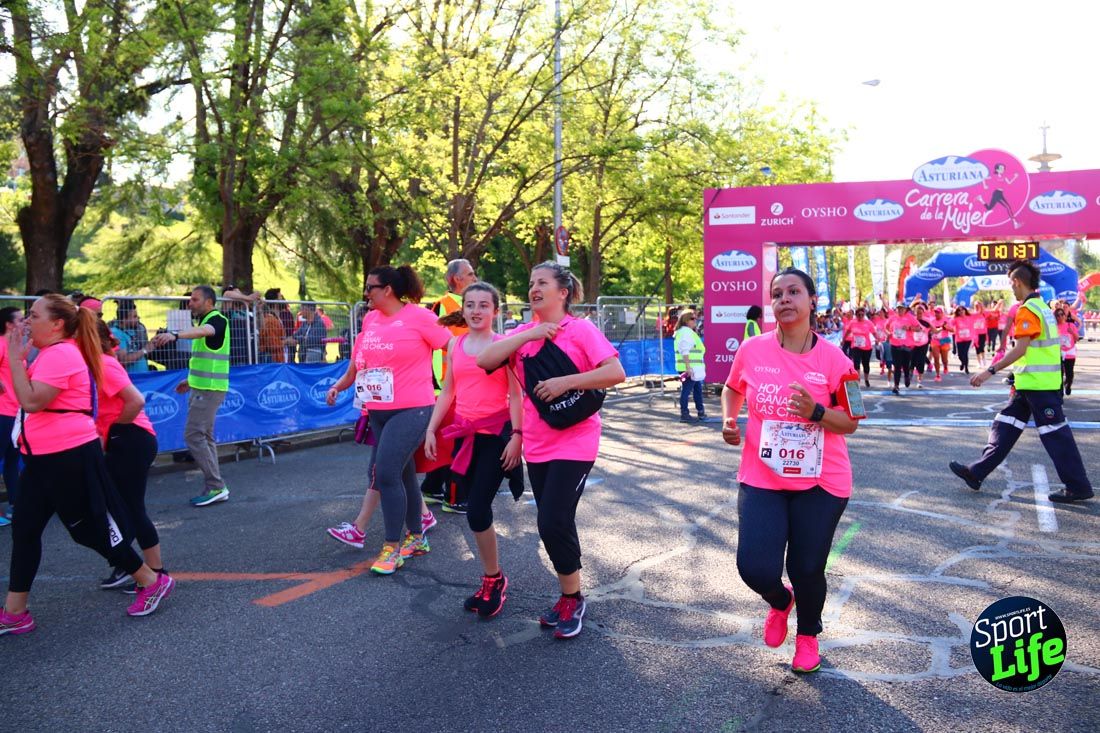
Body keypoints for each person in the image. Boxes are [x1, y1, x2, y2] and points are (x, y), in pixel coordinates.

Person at [1, 295, 174, 636]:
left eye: (34, 315)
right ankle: (15, 612)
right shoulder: (51, 353)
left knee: (88, 529)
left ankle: (150, 579)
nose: (27, 322)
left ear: (57, 324)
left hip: (68, 455)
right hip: (42, 458)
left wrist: (15, 360)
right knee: (25, 530)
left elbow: (32, 400)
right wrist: (18, 360)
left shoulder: (61, 354)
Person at [720, 267, 860, 674]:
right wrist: (729, 419)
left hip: (821, 482)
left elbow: (851, 421)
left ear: (812, 301)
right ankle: (781, 602)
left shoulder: (836, 360)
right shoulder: (752, 350)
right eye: (777, 293)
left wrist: (817, 412)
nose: (784, 299)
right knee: (754, 568)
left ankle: (808, 635)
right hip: (763, 476)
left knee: (806, 568)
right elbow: (733, 388)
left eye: (794, 291)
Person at [478, 261, 625, 640]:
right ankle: (568, 595)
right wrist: (530, 334)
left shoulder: (581, 329)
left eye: (542, 282)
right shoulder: (522, 335)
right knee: (555, 521)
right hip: (538, 444)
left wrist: (565, 382)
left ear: (563, 292)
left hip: (576, 440)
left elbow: (615, 372)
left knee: (552, 520)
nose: (534, 289)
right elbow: (485, 360)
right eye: (531, 283)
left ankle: (572, 599)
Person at [327, 265, 451, 574]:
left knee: (384, 474)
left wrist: (456, 385)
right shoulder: (370, 319)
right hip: (378, 411)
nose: (365, 293)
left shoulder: (420, 317)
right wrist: (339, 386)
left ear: (388, 290)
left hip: (412, 409)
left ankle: (391, 548)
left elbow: (453, 347)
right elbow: (358, 363)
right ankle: (417, 537)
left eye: (370, 287)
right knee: (403, 475)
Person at [950, 260, 1093, 503]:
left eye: (1011, 283)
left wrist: (989, 371)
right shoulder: (1042, 307)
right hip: (1029, 385)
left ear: (1017, 282)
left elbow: (1021, 348)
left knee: (1056, 436)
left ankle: (1078, 486)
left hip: (1040, 387)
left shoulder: (1027, 310)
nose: (1011, 289)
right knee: (1004, 426)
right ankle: (976, 472)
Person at [424, 282, 524, 618]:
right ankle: (492, 577)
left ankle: (494, 580)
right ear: (463, 310)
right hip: (465, 437)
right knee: (471, 509)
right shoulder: (455, 344)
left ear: (495, 310)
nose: (476, 310)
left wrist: (518, 436)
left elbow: (516, 395)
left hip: (496, 435)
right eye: (470, 305)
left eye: (484, 305)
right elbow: (448, 391)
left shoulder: (503, 346)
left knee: (478, 509)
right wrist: (431, 429)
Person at [93, 321, 165, 592]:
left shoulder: (104, 364)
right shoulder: (91, 364)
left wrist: (113, 432)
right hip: (122, 439)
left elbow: (136, 401)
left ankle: (156, 572)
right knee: (118, 509)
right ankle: (129, 564)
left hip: (131, 439)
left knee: (132, 509)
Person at [150, 285, 232, 507]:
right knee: (204, 437)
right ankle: (215, 486)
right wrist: (190, 380)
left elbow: (205, 331)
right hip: (204, 387)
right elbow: (207, 357)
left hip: (209, 390)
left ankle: (216, 485)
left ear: (209, 302)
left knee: (194, 436)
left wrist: (175, 335)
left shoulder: (217, 320)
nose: (190, 303)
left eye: (195, 299)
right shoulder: (207, 321)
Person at [423, 258, 479, 513]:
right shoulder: (444, 306)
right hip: (449, 388)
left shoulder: (468, 306)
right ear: (457, 279)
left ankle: (432, 488)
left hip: (461, 387)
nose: (475, 278)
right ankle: (455, 498)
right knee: (458, 445)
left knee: (450, 444)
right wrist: (441, 386)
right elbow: (436, 350)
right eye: (471, 274)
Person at [0, 307, 24, 526]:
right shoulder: (0, 343)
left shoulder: (15, 347)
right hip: (2, 411)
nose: (25, 323)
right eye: (20, 320)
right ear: (9, 324)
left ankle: (15, 506)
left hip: (16, 411)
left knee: (12, 460)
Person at [672, 310, 707, 421]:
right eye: (692, 319)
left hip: (692, 367)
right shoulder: (686, 332)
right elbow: (685, 351)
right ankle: (685, 414)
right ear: (686, 320)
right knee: (686, 391)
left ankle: (700, 412)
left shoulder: (686, 332)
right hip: (689, 368)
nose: (695, 320)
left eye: (695, 318)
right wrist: (688, 368)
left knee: (697, 390)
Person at [109, 299, 150, 373]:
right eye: (135, 316)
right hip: (131, 377)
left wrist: (154, 343)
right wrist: (145, 350)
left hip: (142, 376)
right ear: (124, 320)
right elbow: (123, 360)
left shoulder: (132, 330)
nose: (138, 318)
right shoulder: (116, 333)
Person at [886, 302, 918, 395]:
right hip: (895, 345)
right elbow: (886, 327)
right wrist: (888, 333)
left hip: (907, 346)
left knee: (905, 365)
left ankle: (907, 377)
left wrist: (909, 328)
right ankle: (896, 386)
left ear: (905, 309)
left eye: (902, 308)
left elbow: (919, 328)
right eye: (899, 308)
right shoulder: (892, 317)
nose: (900, 310)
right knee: (897, 366)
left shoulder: (910, 317)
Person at [843, 307, 875, 388]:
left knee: (866, 364)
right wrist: (843, 339)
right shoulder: (852, 323)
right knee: (856, 363)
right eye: (858, 315)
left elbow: (874, 332)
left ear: (864, 315)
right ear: (856, 315)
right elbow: (848, 331)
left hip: (866, 347)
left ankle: (866, 379)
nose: (860, 316)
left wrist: (878, 339)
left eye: (862, 315)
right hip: (856, 346)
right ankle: (858, 380)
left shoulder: (868, 323)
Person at [1056, 307, 1079, 396]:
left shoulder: (1071, 325)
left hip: (1070, 352)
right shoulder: (1054, 327)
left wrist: (1072, 332)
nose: (1060, 317)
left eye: (1062, 314)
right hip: (1059, 352)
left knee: (1069, 374)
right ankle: (1060, 391)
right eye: (1058, 315)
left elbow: (1077, 338)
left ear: (1065, 316)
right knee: (1060, 373)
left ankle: (1068, 384)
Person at [951, 305, 975, 374]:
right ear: (957, 312)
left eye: (962, 310)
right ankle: (962, 363)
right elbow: (950, 324)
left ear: (965, 310)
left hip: (968, 339)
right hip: (959, 339)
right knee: (960, 355)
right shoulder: (956, 319)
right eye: (959, 311)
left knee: (965, 353)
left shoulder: (970, 317)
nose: (961, 311)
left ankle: (966, 368)